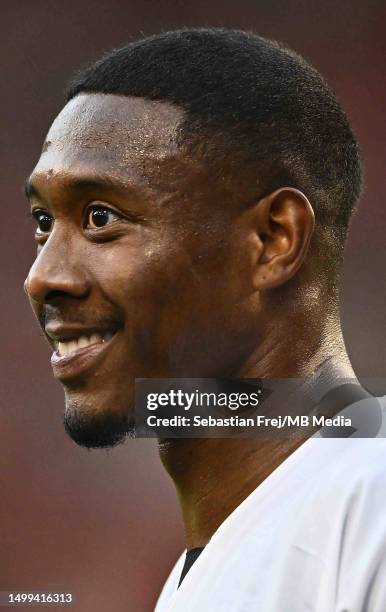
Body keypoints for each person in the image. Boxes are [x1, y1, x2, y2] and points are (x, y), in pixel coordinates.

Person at [24, 28, 386, 611]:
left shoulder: (370, 512)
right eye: (44, 222)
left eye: (100, 217)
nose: (43, 276)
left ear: (273, 241)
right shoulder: (226, 552)